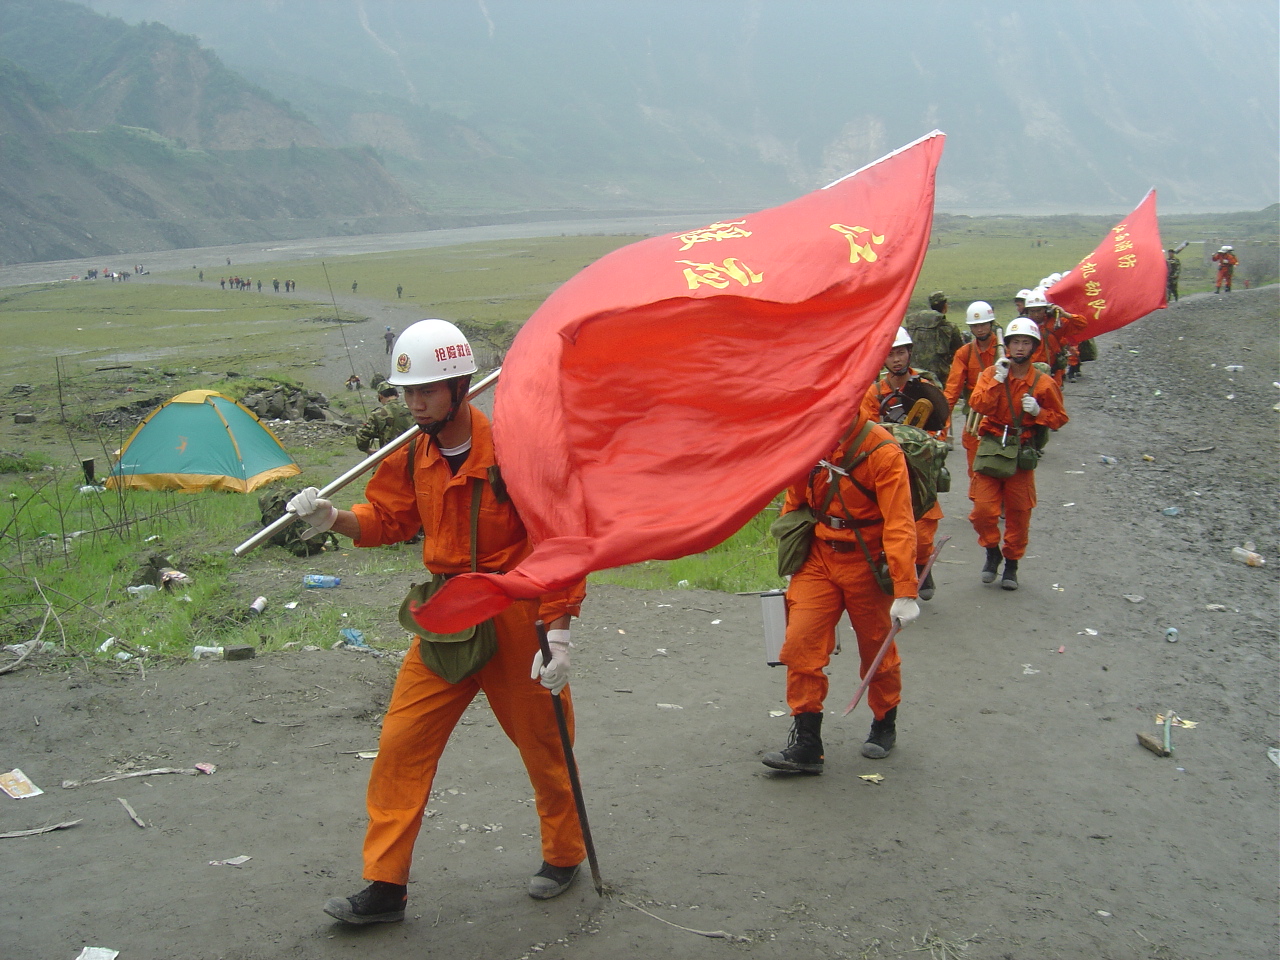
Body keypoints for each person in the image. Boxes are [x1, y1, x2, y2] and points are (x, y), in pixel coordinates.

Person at [287, 319, 588, 925]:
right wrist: (332, 518)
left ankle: (564, 854)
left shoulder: (515, 447)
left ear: (462, 386)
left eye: (426, 390)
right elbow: (389, 520)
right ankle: (384, 886)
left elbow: (562, 537)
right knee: (401, 746)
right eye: (406, 391)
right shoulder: (412, 454)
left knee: (547, 745)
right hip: (445, 615)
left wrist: (558, 629)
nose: (414, 402)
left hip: (513, 610)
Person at [762, 410, 920, 773]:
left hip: (866, 560)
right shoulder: (810, 441)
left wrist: (905, 589)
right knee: (800, 644)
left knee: (877, 651)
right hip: (818, 559)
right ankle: (807, 744)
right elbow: (795, 500)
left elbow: (899, 522)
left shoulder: (882, 450)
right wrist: (792, 557)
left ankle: (884, 722)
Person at [967, 318, 1069, 591]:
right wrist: (997, 381)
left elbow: (1059, 419)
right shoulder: (992, 374)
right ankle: (992, 550)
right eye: (1015, 342)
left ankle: (1011, 562)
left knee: (1019, 513)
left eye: (1025, 342)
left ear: (1033, 347)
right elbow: (977, 404)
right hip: (991, 446)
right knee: (982, 511)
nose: (1020, 347)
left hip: (1020, 449)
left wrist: (1038, 413)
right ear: (1008, 346)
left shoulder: (1044, 383)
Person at [861, 326, 949, 601]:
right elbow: (865, 430)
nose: (896, 359)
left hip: (920, 470)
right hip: (885, 467)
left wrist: (920, 442)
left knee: (922, 535)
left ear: (909, 353)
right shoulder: (873, 392)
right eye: (890, 354)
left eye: (900, 352)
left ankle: (922, 563)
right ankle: (894, 580)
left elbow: (940, 429)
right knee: (887, 529)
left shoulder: (926, 388)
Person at [945, 301, 1004, 477]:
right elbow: (952, 389)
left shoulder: (1005, 350)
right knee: (975, 463)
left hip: (1002, 413)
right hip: (975, 413)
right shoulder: (964, 353)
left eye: (983, 324)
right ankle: (980, 500)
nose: (980, 329)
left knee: (1003, 462)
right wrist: (941, 418)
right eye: (975, 325)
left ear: (991, 324)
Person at [1023, 288, 1086, 387]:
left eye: (1039, 310)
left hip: (1054, 373)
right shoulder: (1022, 326)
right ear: (1027, 311)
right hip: (1029, 373)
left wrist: (1065, 314)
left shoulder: (1056, 324)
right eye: (1032, 311)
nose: (1036, 314)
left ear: (1045, 309)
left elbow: (1081, 325)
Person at [904, 290, 966, 383]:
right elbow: (960, 354)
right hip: (939, 379)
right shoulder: (949, 328)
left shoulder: (913, 327)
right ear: (945, 306)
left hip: (912, 375)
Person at [355, 385, 414, 453]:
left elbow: (362, 436)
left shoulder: (377, 414)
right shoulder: (412, 409)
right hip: (413, 453)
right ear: (397, 395)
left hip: (389, 455)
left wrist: (368, 450)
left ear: (380, 397)